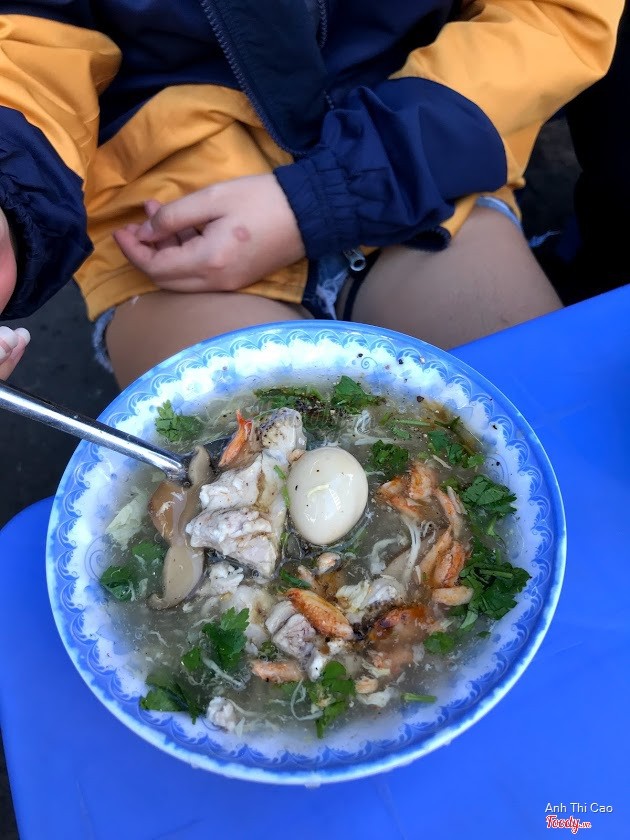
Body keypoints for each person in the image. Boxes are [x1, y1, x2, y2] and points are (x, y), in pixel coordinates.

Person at [0, 1, 623, 388]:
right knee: (237, 511)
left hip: (423, 158)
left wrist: (329, 192)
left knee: (545, 434)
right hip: (170, 213)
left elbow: (555, 17)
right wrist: (8, 189)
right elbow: (25, 41)